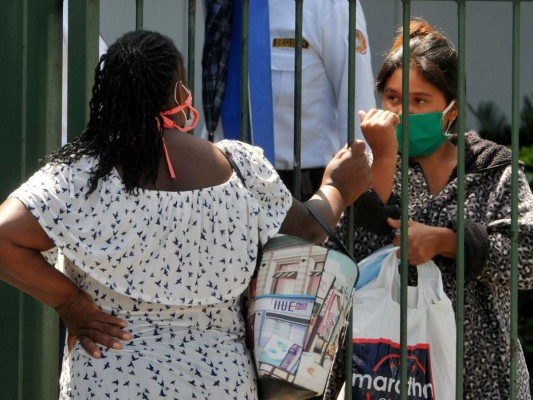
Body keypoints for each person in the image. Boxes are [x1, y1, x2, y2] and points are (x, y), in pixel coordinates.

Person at [0, 30, 370, 399]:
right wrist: (337, 187)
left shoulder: (80, 176)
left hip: (108, 379)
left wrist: (70, 302)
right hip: (218, 382)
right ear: (179, 94)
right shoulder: (240, 167)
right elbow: (306, 230)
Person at [340, 18, 533, 399]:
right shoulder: (361, 165)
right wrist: (382, 159)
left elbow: (527, 258)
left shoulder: (493, 170)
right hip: (385, 374)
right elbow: (348, 259)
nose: (403, 111)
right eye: (393, 98)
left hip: (482, 376)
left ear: (451, 111)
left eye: (419, 101)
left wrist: (447, 241)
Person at [205, 0, 376, 201]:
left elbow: (358, 106)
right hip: (223, 188)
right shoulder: (223, 4)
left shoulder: (329, 5)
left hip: (306, 193)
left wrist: (358, 200)